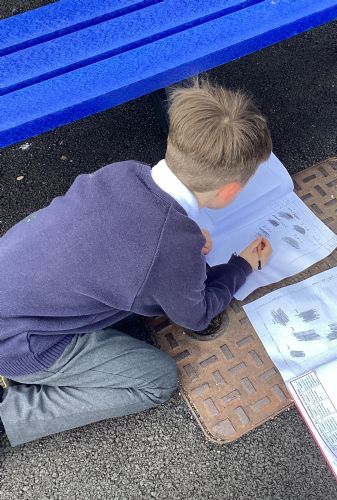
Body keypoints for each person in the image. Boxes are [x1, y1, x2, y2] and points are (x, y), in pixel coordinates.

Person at [0, 80, 273, 446]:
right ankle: (9, 414)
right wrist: (242, 266)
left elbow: (129, 231)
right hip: (20, 345)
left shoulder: (124, 171)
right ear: (230, 192)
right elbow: (196, 315)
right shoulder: (171, 247)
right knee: (157, 380)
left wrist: (184, 239)